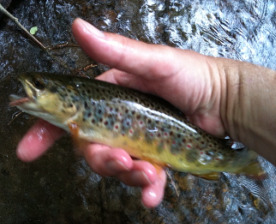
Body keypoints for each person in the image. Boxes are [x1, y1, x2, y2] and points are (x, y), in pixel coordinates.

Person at [16, 18, 276, 208]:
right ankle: (242, 162)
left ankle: (241, 162)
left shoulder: (76, 122)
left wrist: (225, 95)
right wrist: (226, 96)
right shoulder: (74, 117)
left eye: (39, 86)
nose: (34, 89)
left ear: (71, 102)